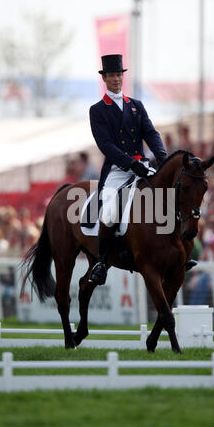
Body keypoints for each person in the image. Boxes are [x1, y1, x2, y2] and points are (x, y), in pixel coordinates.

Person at [88, 54, 168, 285]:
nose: (115, 79)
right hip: (117, 169)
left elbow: (150, 132)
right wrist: (130, 163)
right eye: (111, 75)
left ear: (122, 77)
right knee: (110, 211)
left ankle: (177, 251)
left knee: (168, 197)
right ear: (105, 79)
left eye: (118, 75)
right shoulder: (98, 110)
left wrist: (160, 154)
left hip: (142, 166)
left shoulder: (136, 105)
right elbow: (106, 145)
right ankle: (101, 262)